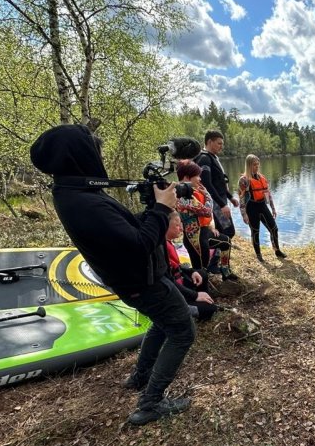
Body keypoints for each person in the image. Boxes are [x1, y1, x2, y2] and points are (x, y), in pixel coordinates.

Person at [30, 124, 196, 426]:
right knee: (183, 330)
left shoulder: (75, 192)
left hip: (133, 279)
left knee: (162, 323)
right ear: (80, 156)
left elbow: (124, 232)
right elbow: (138, 245)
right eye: (94, 150)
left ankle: (139, 378)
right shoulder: (85, 203)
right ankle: (151, 403)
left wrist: (152, 210)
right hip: (141, 281)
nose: (99, 155)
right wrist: (161, 209)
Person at [175, 161, 238, 281]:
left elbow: (208, 216)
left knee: (226, 242)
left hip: (203, 233)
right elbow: (207, 211)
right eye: (197, 176)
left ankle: (225, 271)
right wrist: (208, 194)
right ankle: (202, 293)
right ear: (187, 177)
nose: (200, 179)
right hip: (195, 240)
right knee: (201, 270)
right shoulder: (183, 196)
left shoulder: (192, 191)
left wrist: (211, 226)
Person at [164, 210, 217, 321]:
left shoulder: (168, 242)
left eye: (181, 224)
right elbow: (168, 281)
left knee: (201, 273)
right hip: (172, 293)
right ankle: (195, 308)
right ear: (165, 226)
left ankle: (204, 299)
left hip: (179, 282)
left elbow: (176, 266)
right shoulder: (161, 248)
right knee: (210, 308)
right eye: (177, 225)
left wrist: (191, 271)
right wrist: (194, 295)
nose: (181, 229)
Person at [238, 154, 287, 262]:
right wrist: (244, 214)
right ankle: (259, 255)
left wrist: (273, 208)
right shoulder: (244, 180)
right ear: (249, 165)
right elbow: (241, 199)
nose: (257, 167)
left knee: (274, 229)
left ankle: (277, 250)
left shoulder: (262, 178)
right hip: (251, 208)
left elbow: (268, 194)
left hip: (262, 206)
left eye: (258, 164)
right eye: (254, 165)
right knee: (255, 232)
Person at [194, 130, 238, 239]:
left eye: (222, 144)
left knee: (222, 230)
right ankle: (214, 253)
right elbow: (207, 184)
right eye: (219, 143)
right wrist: (222, 204)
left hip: (219, 199)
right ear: (209, 142)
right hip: (215, 203)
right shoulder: (204, 159)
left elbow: (219, 182)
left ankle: (216, 252)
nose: (221, 146)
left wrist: (230, 197)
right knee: (228, 231)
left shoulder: (212, 157)